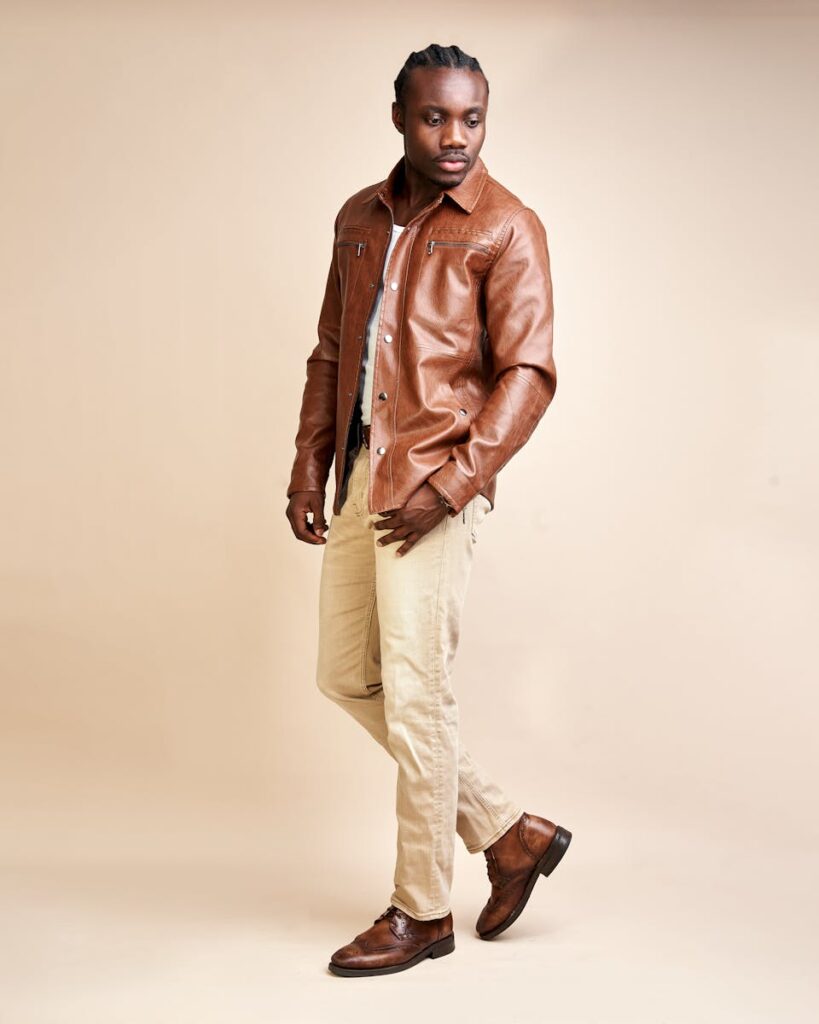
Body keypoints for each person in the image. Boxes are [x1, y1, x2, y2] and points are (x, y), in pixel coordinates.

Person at [286, 42, 571, 977]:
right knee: (344, 675)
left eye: (471, 118)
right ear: (399, 116)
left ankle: (421, 911)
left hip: (436, 483)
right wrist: (310, 460)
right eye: (434, 117)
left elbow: (526, 375)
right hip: (366, 468)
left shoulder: (505, 226)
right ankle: (507, 832)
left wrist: (450, 486)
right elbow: (334, 348)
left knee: (419, 695)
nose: (454, 138)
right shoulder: (358, 219)